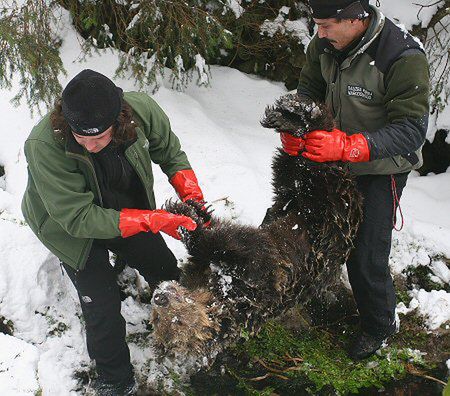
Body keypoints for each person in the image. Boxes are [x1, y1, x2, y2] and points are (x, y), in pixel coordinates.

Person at [21, 69, 206, 395]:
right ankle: (114, 380)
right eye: (82, 138)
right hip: (67, 223)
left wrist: (192, 196)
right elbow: (77, 217)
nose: (91, 147)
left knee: (164, 267)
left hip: (122, 205)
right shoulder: (44, 145)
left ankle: (183, 336)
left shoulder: (140, 112)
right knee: (102, 302)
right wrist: (151, 220)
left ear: (118, 120)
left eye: (99, 137)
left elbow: (170, 152)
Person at [280, 0, 429, 359]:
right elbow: (309, 91)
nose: (320, 33)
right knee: (312, 229)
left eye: (327, 25)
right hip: (331, 154)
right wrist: (295, 126)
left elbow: (411, 131)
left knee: (365, 254)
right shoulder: (324, 44)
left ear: (356, 18)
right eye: (317, 24)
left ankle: (380, 325)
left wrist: (350, 145)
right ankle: (317, 296)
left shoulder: (402, 56)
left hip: (382, 166)